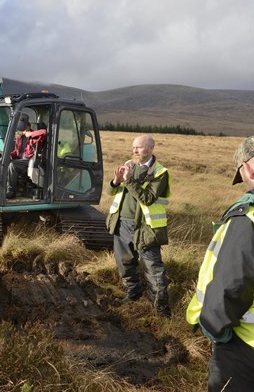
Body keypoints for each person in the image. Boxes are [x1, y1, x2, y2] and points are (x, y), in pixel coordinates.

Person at [187, 136, 254, 391]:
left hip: (243, 350)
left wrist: (216, 331)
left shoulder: (247, 219)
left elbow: (232, 286)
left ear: (247, 168)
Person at [106, 134, 172, 317]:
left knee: (153, 268)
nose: (134, 150)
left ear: (151, 149)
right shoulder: (128, 165)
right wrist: (116, 181)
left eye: (139, 147)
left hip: (146, 228)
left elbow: (147, 198)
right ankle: (133, 294)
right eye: (133, 147)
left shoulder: (160, 173)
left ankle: (160, 309)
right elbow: (111, 191)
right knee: (124, 262)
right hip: (122, 223)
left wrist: (128, 181)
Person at [6, 114, 47, 199]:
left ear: (29, 126)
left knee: (13, 165)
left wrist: (30, 134)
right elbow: (17, 152)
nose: (24, 130)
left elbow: (44, 132)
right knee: (4, 162)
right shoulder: (19, 138)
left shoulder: (35, 137)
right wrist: (8, 156)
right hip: (21, 160)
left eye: (25, 128)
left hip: (30, 161)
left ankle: (11, 190)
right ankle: (4, 188)